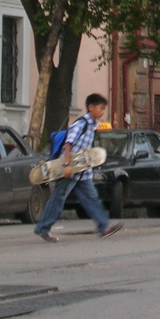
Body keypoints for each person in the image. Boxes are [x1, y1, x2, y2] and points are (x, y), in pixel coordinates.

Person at [34, 93, 123, 243]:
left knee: (92, 198)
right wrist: (67, 166)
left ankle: (104, 227)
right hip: (69, 170)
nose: (102, 112)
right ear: (91, 107)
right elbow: (68, 143)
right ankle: (43, 228)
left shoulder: (93, 126)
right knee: (57, 200)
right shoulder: (81, 124)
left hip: (83, 172)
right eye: (101, 108)